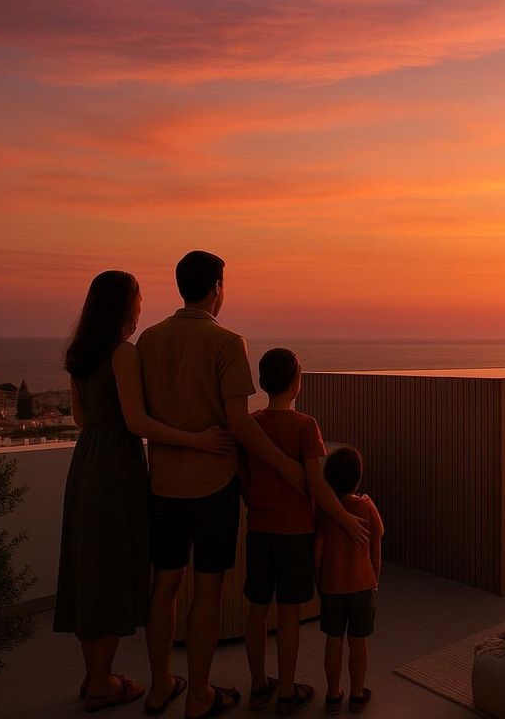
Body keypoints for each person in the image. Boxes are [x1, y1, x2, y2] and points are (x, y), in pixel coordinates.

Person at [137, 251, 310, 719]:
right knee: (208, 588)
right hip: (213, 484)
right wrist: (283, 465)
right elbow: (239, 423)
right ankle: (198, 695)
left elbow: (142, 415)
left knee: (165, 585)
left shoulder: (148, 341)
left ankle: (158, 688)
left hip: (164, 482)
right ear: (216, 287)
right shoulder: (227, 342)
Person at [54, 270, 233, 712]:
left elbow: (80, 420)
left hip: (87, 460)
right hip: (117, 465)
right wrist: (199, 439)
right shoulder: (123, 354)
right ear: (122, 306)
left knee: (89, 566)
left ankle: (97, 674)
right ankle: (101, 682)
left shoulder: (79, 356)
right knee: (111, 568)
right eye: (137, 299)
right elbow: (137, 422)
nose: (139, 308)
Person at [241, 348, 369, 715]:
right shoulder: (304, 425)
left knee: (256, 608)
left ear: (262, 382)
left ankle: (258, 686)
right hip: (294, 532)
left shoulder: (252, 425)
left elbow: (244, 479)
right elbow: (317, 484)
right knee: (288, 614)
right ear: (297, 382)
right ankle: (285, 690)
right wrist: (346, 520)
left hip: (259, 529)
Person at [316, 447, 384, 716]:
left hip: (331, 586)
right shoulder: (366, 506)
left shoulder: (326, 509)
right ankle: (357, 695)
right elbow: (376, 545)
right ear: (358, 478)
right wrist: (374, 577)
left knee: (333, 641)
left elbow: (318, 549)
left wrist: (318, 579)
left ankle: (333, 696)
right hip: (361, 586)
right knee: (359, 641)